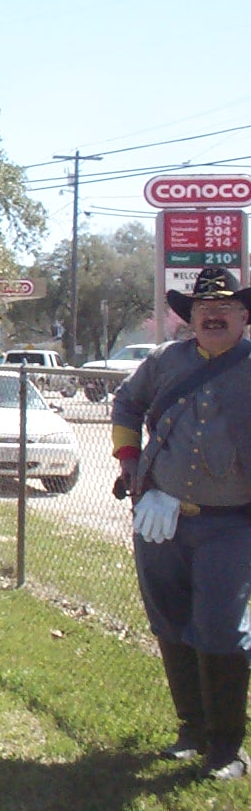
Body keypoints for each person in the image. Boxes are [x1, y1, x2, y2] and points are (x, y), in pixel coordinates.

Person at [112, 266, 251, 779]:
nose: (212, 316)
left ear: (244, 315)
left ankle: (226, 747)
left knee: (220, 628)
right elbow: (127, 401)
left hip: (231, 523)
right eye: (202, 310)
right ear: (189, 317)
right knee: (170, 622)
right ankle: (191, 730)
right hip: (161, 518)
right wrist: (128, 460)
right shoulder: (165, 360)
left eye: (225, 309)